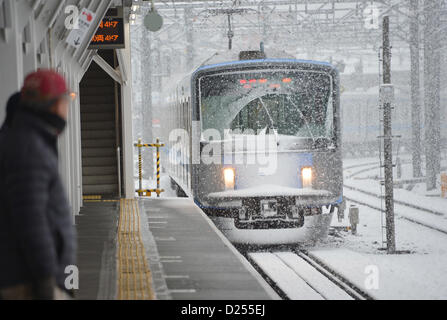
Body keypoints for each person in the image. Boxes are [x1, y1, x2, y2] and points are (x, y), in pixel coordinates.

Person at [0, 70, 76, 300]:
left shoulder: (25, 138)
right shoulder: (29, 148)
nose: (67, 107)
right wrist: (47, 281)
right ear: (54, 104)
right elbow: (32, 221)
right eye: (67, 99)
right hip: (29, 281)